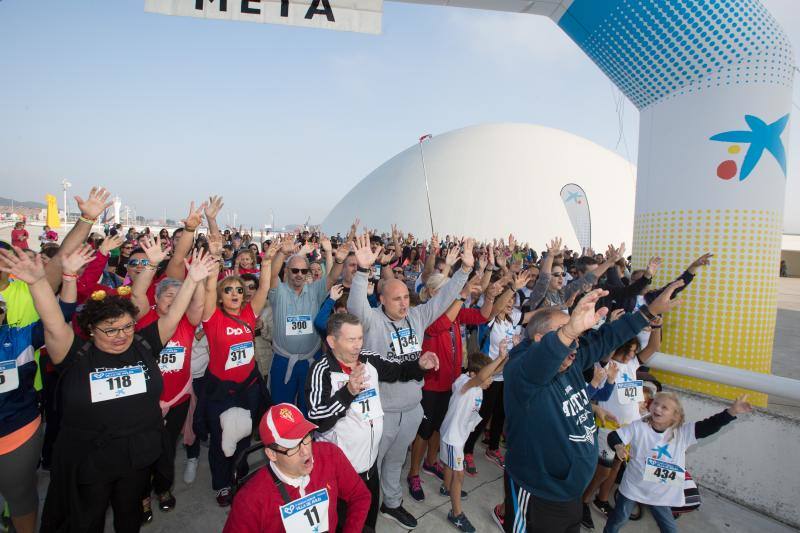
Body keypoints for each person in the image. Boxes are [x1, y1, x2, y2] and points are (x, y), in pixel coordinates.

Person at [2, 243, 213, 533]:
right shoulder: (74, 354)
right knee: (87, 521)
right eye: (110, 330)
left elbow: (174, 314)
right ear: (91, 330)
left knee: (129, 519)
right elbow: (52, 323)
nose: (120, 336)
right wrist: (39, 282)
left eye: (126, 327)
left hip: (135, 457)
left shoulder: (143, 344)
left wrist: (193, 279)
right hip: (89, 460)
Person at [502, 280, 682, 533]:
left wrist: (648, 312)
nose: (575, 343)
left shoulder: (572, 360)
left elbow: (605, 338)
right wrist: (567, 333)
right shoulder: (521, 372)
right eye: (566, 335)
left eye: (576, 335)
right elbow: (536, 364)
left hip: (571, 492)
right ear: (540, 339)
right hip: (539, 494)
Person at [347, 232, 473, 529]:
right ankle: (364, 516)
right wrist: (362, 272)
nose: (404, 303)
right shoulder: (372, 320)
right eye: (396, 298)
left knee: (396, 460)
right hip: (382, 410)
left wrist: (464, 271)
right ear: (381, 300)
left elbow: (443, 299)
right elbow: (355, 307)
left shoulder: (416, 317)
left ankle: (391, 504)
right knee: (372, 465)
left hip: (412, 407)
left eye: (406, 297)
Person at [305, 312, 440, 531]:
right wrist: (348, 392)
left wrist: (420, 365)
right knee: (341, 525)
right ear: (332, 341)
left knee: (367, 524)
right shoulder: (322, 370)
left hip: (369, 468)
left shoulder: (368, 358)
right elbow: (317, 419)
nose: (358, 345)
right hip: (339, 475)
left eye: (360, 338)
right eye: (351, 339)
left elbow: (397, 370)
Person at [0, 246, 88, 533]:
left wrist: (68, 276)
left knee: (21, 496)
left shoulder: (20, 335)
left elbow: (59, 315)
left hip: (16, 427)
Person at [131, 237, 207, 523]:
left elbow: (197, 305)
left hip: (177, 400)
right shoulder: (142, 320)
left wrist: (197, 280)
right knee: (141, 453)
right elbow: (138, 295)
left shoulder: (186, 323)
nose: (174, 301)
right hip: (144, 404)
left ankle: (163, 489)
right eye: (167, 296)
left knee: (165, 449)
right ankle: (140, 496)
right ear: (157, 299)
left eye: (179, 297)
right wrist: (151, 265)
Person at [603, 393, 753, 533]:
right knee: (618, 519)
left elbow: (709, 425)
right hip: (634, 486)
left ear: (675, 416)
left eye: (664, 407)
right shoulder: (638, 426)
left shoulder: (683, 433)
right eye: (655, 403)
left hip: (661, 493)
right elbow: (614, 436)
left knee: (669, 528)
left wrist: (732, 411)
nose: (657, 408)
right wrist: (618, 446)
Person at [201, 231, 275, 506]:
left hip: (248, 388)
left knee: (244, 434)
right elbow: (209, 289)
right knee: (222, 439)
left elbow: (265, 288)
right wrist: (215, 258)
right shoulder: (213, 318)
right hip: (221, 391)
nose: (234, 293)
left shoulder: (248, 314)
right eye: (228, 290)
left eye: (239, 290)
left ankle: (239, 475)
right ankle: (221, 484)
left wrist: (267, 262)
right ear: (221, 297)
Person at [222, 403, 371, 533]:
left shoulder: (329, 454)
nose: (306, 451)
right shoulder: (250, 501)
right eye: (292, 446)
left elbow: (360, 495)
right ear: (272, 454)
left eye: (306, 437)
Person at [439, 349, 508, 532]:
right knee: (459, 475)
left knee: (450, 465)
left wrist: (507, 355)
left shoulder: (478, 387)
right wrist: (500, 357)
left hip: (458, 437)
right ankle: (456, 514)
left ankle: (446, 487)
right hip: (453, 437)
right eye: (488, 377)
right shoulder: (465, 383)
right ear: (475, 374)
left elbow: (493, 372)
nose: (491, 381)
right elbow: (483, 375)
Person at [268, 236, 338, 412]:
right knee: (282, 410)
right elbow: (271, 274)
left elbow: (331, 278)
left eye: (303, 271)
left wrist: (337, 259)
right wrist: (283, 252)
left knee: (308, 409)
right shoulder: (279, 292)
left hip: (310, 361)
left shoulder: (314, 290)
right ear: (288, 271)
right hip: (283, 360)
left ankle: (306, 440)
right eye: (295, 270)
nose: (299, 274)